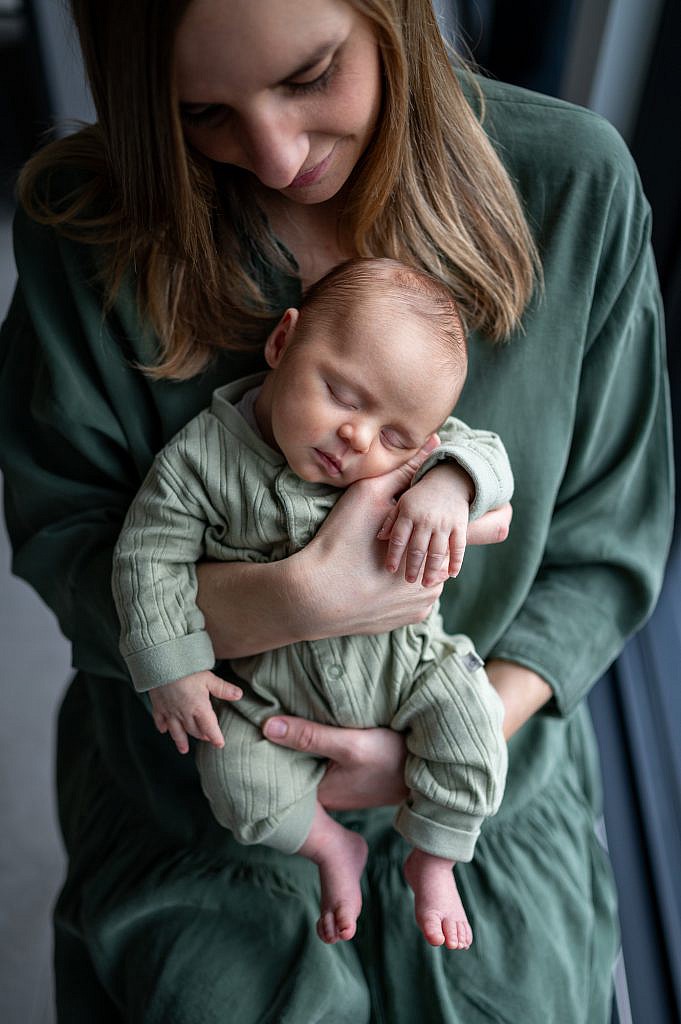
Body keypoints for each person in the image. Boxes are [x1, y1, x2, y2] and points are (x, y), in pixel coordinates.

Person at [0, 0, 673, 1021]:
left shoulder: (576, 187)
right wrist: (301, 599)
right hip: (204, 794)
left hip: (491, 770)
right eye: (202, 114)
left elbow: (608, 548)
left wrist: (447, 747)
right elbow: (67, 543)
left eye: (312, 77)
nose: (272, 157)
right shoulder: (81, 225)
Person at [112, 257, 512, 950]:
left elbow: (487, 456)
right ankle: (330, 847)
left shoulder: (417, 461)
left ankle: (435, 854)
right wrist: (170, 667)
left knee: (473, 723)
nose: (358, 439)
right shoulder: (200, 461)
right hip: (266, 699)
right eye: (342, 395)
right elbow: (148, 556)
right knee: (233, 780)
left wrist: (447, 485)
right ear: (281, 343)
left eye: (395, 437)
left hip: (406, 667)